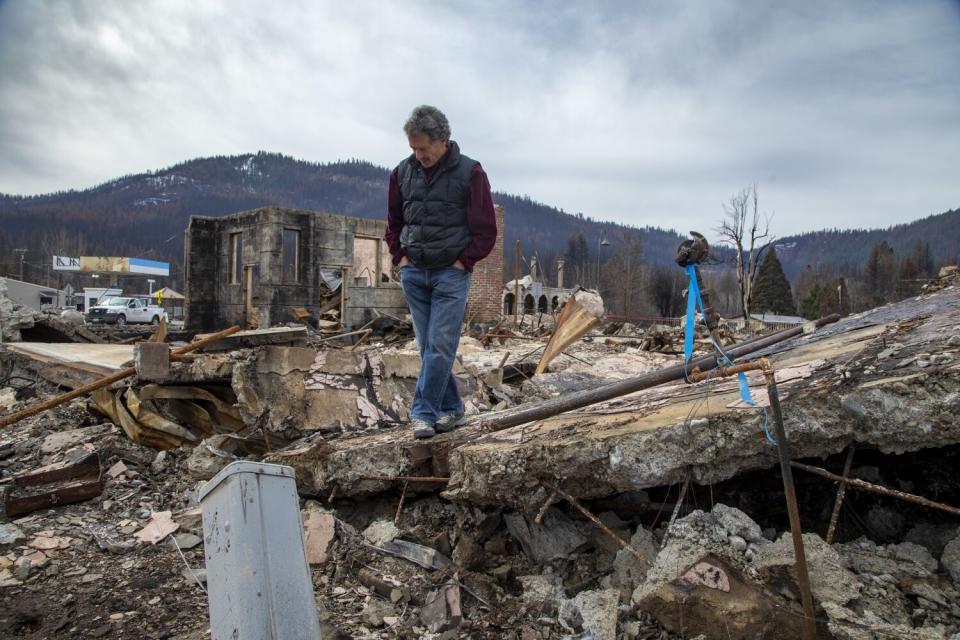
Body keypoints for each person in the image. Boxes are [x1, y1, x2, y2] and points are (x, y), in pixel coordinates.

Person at [384, 105, 497, 439]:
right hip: (414, 273)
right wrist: (399, 257)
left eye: (423, 148)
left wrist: (464, 262)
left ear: (443, 140)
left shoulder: (471, 173)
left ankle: (422, 413)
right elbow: (393, 222)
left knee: (439, 347)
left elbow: (486, 230)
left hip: (451, 274)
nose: (419, 155)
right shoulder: (401, 173)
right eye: (413, 149)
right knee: (428, 348)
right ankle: (452, 408)